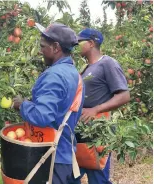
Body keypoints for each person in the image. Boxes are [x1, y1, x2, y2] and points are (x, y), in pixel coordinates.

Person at [12, 23, 85, 184]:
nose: (40, 51)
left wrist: (22, 105)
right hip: (65, 152)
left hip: (52, 158)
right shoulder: (74, 73)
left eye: (43, 46)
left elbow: (42, 116)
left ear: (56, 47)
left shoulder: (54, 76)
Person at [71, 28, 130, 184]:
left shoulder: (107, 63)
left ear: (91, 43)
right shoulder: (86, 68)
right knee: (72, 175)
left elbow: (124, 95)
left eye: (79, 42)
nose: (77, 46)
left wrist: (95, 109)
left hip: (98, 131)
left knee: (98, 177)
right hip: (82, 130)